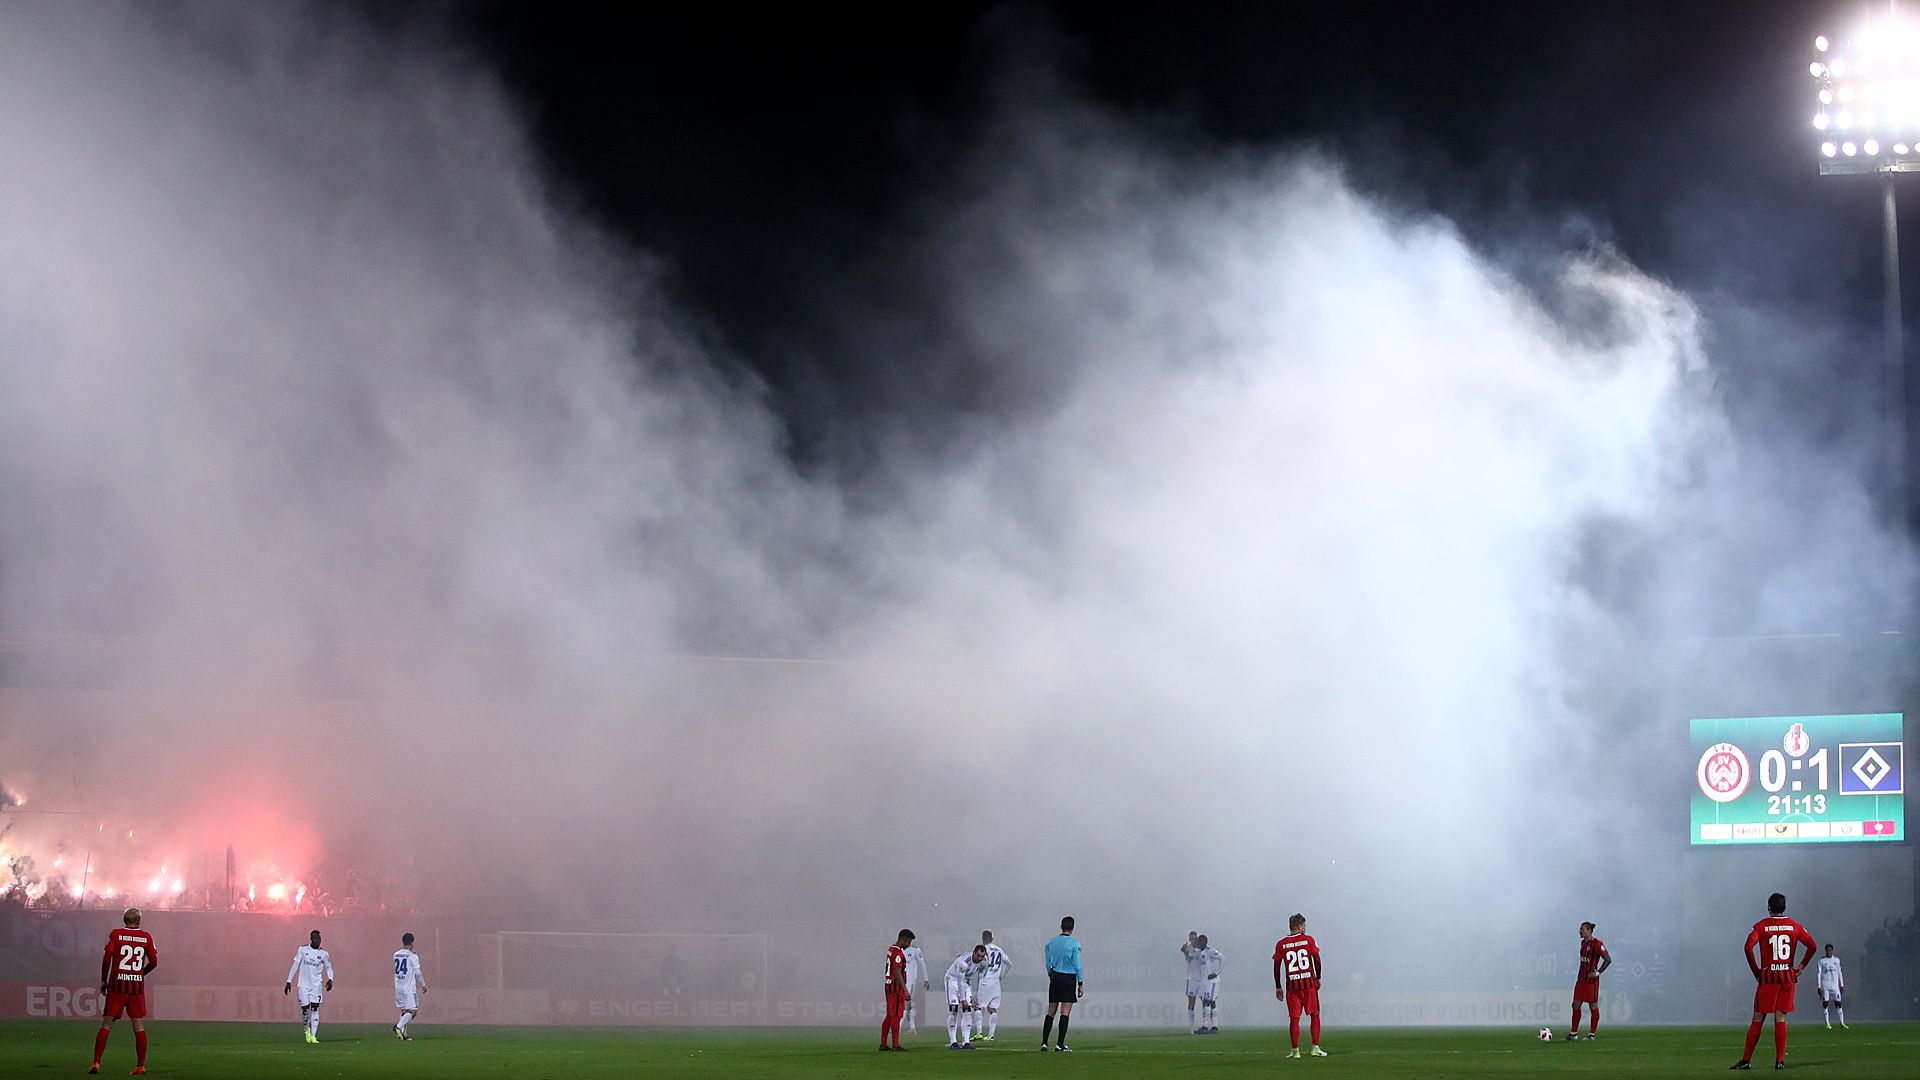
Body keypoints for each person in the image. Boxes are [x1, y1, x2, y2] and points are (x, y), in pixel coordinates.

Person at [1731, 892, 1817, 1071]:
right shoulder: (1795, 926)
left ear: (1769, 907)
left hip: (1768, 978)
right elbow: (1813, 946)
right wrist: (1801, 966)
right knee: (1781, 1018)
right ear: (1784, 907)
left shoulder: (1762, 926)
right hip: (1787, 977)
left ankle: (1746, 1060)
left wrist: (1756, 971)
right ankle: (1779, 1061)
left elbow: (1748, 947)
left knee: (1758, 1018)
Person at [89, 906, 158, 1075]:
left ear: (124, 920)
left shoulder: (116, 934)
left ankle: (96, 1062)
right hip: (136, 987)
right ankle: (140, 1066)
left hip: (118, 985)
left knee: (107, 1023)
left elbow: (107, 958)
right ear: (139, 921)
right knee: (138, 1026)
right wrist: (140, 973)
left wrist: (104, 980)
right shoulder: (146, 937)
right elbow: (154, 962)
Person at [1274, 913, 1327, 1058]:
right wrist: (1318, 977)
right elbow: (1317, 960)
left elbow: (1276, 965)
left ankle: (1295, 1051)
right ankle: (1315, 1048)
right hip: (1308, 985)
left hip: (1292, 987)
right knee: (1314, 1015)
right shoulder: (1309, 940)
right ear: (1300, 926)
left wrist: (1278, 986)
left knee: (1294, 1019)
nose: (1305, 928)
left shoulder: (1281, 944)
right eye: (1304, 925)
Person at [284, 928, 335, 1044]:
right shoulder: (303, 950)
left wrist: (330, 979)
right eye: (316, 938)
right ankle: (307, 1032)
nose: (318, 941)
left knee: (315, 1008)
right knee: (305, 1009)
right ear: (311, 939)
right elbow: (295, 965)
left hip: (316, 985)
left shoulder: (323, 953)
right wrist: (288, 981)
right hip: (303, 985)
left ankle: (314, 1036)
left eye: (319, 938)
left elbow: (329, 967)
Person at [1041, 915, 1084, 1052]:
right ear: (1072, 928)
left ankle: (1044, 1043)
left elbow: (1048, 962)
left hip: (1055, 977)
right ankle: (1059, 1044)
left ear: (1061, 926)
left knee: (1051, 1011)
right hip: (1068, 978)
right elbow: (1078, 965)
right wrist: (1080, 982)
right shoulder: (1075, 944)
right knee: (1065, 1012)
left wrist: (1050, 973)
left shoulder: (1051, 943)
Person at [1568, 921, 1611, 1040]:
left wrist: (1597, 972)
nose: (1580, 931)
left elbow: (1608, 959)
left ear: (1589, 931)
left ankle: (1592, 1034)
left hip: (1591, 982)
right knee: (1575, 1005)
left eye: (1582, 929)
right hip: (1581, 980)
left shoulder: (1597, 944)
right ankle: (1573, 1033)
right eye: (1580, 929)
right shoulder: (1582, 943)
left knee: (1593, 1006)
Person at [944, 944, 986, 1048]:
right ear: (973, 953)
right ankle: (953, 1042)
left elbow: (980, 979)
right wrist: (962, 999)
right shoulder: (963, 962)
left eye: (982, 956)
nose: (980, 958)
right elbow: (959, 980)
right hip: (952, 980)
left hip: (966, 981)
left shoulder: (984, 963)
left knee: (967, 1011)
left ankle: (966, 1042)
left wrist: (977, 995)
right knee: (954, 1009)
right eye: (978, 956)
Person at [880, 929, 913, 1051]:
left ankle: (883, 1043)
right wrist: (905, 990)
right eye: (909, 942)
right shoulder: (898, 954)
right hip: (895, 987)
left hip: (888, 985)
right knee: (897, 1016)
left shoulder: (891, 949)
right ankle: (895, 1044)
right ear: (904, 940)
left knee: (889, 1015)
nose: (909, 945)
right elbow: (897, 972)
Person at [975, 930, 1010, 1041]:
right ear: (992, 938)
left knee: (978, 1007)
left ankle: (979, 1033)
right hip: (996, 982)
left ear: (982, 939)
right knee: (993, 1008)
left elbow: (982, 964)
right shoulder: (999, 950)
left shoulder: (984, 950)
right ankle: (991, 1035)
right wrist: (1001, 976)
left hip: (986, 981)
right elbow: (1009, 963)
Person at [392, 932, 428, 1040]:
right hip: (408, 988)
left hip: (398, 987)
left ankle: (403, 1034)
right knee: (413, 1011)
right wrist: (423, 985)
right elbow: (418, 973)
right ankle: (398, 1027)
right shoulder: (413, 956)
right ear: (412, 943)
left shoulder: (396, 954)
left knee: (404, 1011)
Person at [901, 935, 929, 1035]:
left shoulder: (915, 950)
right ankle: (911, 1028)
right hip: (901, 980)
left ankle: (905, 1027)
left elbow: (922, 964)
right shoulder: (899, 950)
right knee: (904, 1003)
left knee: (907, 1003)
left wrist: (926, 979)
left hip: (911, 981)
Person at [1815, 944, 1846, 1030]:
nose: (1829, 952)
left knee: (1838, 1003)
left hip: (1835, 986)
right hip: (1825, 986)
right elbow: (1819, 973)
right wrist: (1819, 986)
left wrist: (1842, 984)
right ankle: (1827, 1023)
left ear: (1832, 950)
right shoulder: (1821, 961)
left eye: (1830, 950)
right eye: (1827, 950)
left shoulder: (1837, 960)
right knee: (1826, 1004)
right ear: (1825, 951)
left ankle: (1842, 1023)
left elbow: (1840, 972)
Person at [1182, 930, 1207, 1033]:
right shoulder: (1189, 949)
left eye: (1195, 938)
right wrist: (1185, 952)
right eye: (1192, 939)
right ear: (1189, 939)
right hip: (1192, 979)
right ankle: (1191, 1028)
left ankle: (1205, 1025)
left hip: (1201, 980)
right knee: (1191, 1003)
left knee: (1205, 1002)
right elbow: (1188, 958)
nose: (1194, 941)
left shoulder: (1201, 949)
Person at [1199, 934, 1224, 1034]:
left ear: (1205, 942)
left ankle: (1209, 1026)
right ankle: (1212, 1026)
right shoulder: (1200, 952)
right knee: (1208, 1001)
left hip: (1213, 981)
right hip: (1205, 982)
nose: (1198, 943)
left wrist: (1216, 973)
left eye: (1200, 941)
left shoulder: (1210, 951)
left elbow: (1223, 958)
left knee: (1208, 1001)